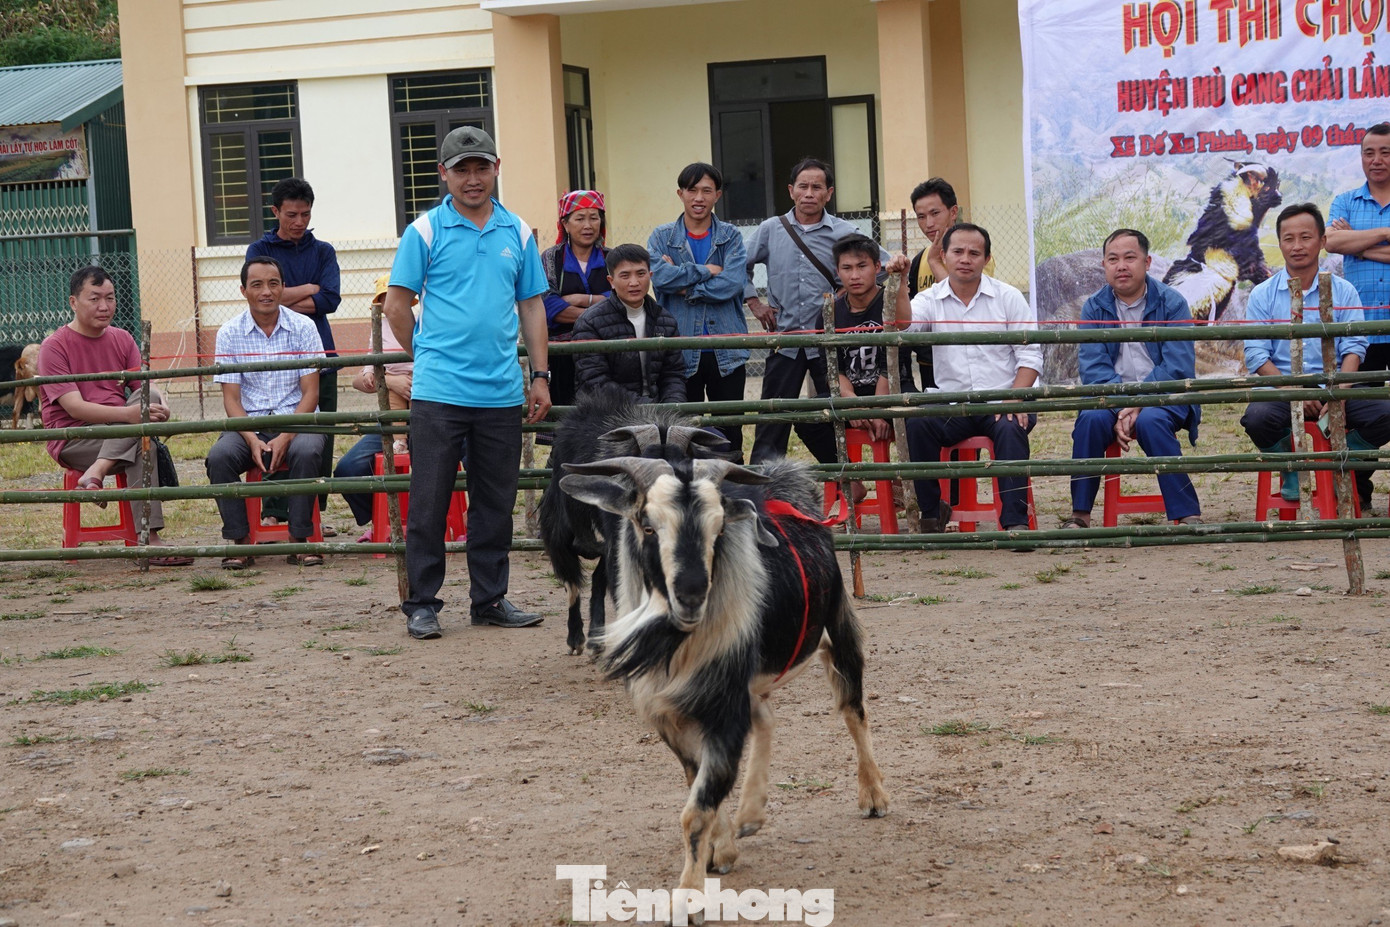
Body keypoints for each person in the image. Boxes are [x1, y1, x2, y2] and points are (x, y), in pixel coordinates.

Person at [383, 125, 551, 640]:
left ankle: (490, 599)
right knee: (429, 501)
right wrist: (427, 356)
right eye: (462, 170)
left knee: (494, 502)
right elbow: (396, 305)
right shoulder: (425, 232)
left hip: (501, 391)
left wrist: (539, 375)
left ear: (496, 169)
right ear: (444, 175)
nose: (473, 179)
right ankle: (422, 604)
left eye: (482, 167)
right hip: (438, 393)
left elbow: (531, 306)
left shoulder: (518, 232)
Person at [37, 265, 192, 566]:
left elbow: (144, 387)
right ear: (73, 302)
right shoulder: (54, 346)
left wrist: (160, 403)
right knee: (138, 440)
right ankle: (150, 539)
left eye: (110, 298)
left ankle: (97, 472)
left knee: (147, 408)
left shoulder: (122, 339)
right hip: (76, 437)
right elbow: (74, 407)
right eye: (94, 299)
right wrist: (130, 415)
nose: (104, 306)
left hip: (119, 429)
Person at [743, 157, 894, 464]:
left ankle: (848, 475)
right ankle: (762, 486)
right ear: (791, 190)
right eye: (803, 186)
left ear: (829, 193)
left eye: (817, 187)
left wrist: (846, 292)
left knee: (836, 411)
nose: (809, 193)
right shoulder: (771, 229)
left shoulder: (844, 231)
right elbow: (738, 265)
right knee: (773, 415)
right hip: (784, 339)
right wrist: (754, 302)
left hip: (829, 342)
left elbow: (884, 267)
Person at [1243, 202, 1390, 508]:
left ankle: (1338, 459)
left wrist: (1340, 391)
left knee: (1385, 411)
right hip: (1283, 391)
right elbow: (1257, 355)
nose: (1297, 246)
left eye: (1306, 237)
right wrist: (1295, 390)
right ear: (1279, 243)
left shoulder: (1344, 290)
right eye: (1289, 238)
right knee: (1257, 418)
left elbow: (1355, 347)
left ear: (1323, 241)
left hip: (1336, 388)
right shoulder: (1262, 294)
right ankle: (1293, 468)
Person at [903, 224, 1042, 532]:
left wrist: (1014, 398)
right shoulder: (931, 299)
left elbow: (1031, 356)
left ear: (986, 258)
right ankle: (930, 513)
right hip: (954, 405)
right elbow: (904, 327)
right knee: (918, 423)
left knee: (1010, 426)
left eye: (974, 253)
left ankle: (1015, 524)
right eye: (958, 252)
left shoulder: (1008, 297)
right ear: (943, 255)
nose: (965, 259)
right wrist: (901, 282)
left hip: (1003, 400)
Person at [1064, 229, 1202, 528]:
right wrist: (1125, 405)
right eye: (1113, 259)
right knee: (1089, 419)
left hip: (1165, 396)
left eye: (1130, 258)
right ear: (1104, 265)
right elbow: (1093, 369)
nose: (1121, 266)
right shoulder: (1094, 307)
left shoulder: (1172, 303)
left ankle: (1186, 512)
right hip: (1112, 398)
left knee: (1151, 420)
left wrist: (1139, 403)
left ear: (1148, 262)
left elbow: (1177, 366)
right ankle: (1080, 515)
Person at [206, 257, 327, 569]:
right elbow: (231, 400)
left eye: (274, 283)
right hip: (249, 423)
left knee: (308, 449)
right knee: (219, 457)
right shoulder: (229, 332)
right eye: (257, 284)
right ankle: (240, 541)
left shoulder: (304, 327)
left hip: (297, 421)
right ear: (244, 290)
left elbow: (311, 393)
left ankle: (299, 539)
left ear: (283, 287)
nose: (266, 291)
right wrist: (251, 439)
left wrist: (286, 435)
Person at [245, 177, 341, 533]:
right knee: (270, 428)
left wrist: (286, 297)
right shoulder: (259, 250)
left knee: (318, 436)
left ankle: (313, 512)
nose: (299, 222)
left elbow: (329, 298)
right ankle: (273, 510)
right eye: (291, 215)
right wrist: (308, 290)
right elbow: (262, 297)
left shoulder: (323, 251)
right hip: (270, 353)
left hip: (320, 353)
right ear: (275, 212)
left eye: (305, 214)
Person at [648, 162, 750, 459]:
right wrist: (707, 270)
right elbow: (659, 279)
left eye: (707, 190)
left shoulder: (731, 236)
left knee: (730, 431)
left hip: (726, 352)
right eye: (692, 190)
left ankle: (732, 494)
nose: (699, 198)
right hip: (679, 351)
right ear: (680, 193)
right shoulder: (661, 236)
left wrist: (684, 284)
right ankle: (686, 497)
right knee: (681, 432)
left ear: (718, 195)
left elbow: (732, 284)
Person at [335, 273, 415, 542]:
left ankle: (452, 523)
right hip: (393, 409)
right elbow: (363, 375)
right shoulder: (378, 329)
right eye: (384, 300)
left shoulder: (424, 322)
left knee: (460, 459)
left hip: (429, 408)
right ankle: (380, 520)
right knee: (348, 468)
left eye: (395, 299)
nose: (390, 305)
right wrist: (388, 380)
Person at [830, 235, 901, 503]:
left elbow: (892, 363)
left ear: (878, 266)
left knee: (922, 418)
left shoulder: (890, 303)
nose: (855, 275)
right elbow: (833, 367)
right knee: (805, 418)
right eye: (847, 268)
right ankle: (850, 478)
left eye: (862, 266)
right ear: (838, 271)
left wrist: (876, 408)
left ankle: (910, 484)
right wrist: (851, 402)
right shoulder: (830, 311)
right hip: (852, 395)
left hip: (892, 390)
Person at [571, 243, 687, 404]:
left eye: (641, 274)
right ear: (611, 281)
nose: (634, 282)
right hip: (609, 415)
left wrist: (671, 409)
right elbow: (595, 382)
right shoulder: (590, 322)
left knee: (711, 430)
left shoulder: (665, 320)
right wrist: (646, 408)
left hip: (659, 413)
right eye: (625, 276)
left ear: (650, 275)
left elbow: (673, 375)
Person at [1327, 123, 1390, 375]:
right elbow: (1331, 242)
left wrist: (1357, 246)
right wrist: (1385, 233)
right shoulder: (1345, 202)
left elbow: (1343, 242)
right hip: (1360, 329)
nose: (1376, 160)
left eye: (1385, 152)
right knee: (1361, 407)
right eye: (1369, 153)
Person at [541, 190, 610, 409]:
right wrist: (601, 308)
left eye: (594, 217)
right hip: (562, 355)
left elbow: (622, 301)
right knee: (565, 422)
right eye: (580, 218)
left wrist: (581, 299)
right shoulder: (551, 258)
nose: (588, 225)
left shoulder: (613, 258)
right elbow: (550, 306)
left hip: (606, 353)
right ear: (565, 224)